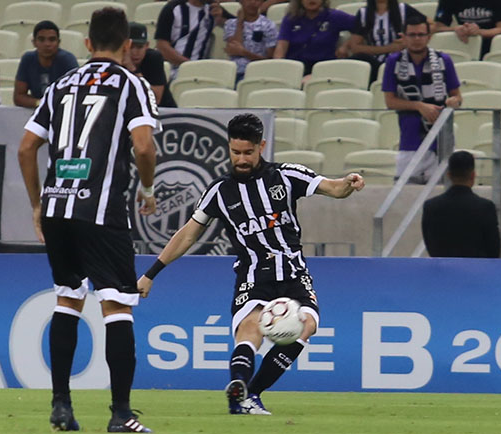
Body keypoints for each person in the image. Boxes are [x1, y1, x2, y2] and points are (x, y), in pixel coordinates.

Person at [137, 113, 364, 415]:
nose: (241, 159)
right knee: (249, 329)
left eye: (248, 152)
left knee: (306, 324)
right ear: (229, 148)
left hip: (293, 271)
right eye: (235, 152)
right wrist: (152, 273)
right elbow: (188, 234)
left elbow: (334, 188)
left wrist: (349, 182)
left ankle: (250, 394)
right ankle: (238, 389)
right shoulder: (219, 191)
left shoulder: (286, 176)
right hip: (253, 274)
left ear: (262, 146)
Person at [17, 7, 159, 434]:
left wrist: (37, 204)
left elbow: (26, 148)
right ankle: (121, 413)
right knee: (117, 305)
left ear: (87, 44)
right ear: (129, 46)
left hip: (58, 206)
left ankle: (61, 406)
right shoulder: (131, 84)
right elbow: (145, 147)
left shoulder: (60, 85)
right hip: (101, 208)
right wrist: (147, 190)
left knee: (67, 298)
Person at [382, 14, 462, 183]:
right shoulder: (393, 61)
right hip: (409, 141)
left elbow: (457, 96)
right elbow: (390, 101)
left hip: (440, 142)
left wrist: (454, 102)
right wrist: (419, 106)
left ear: (428, 36)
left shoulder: (443, 60)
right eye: (412, 35)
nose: (417, 39)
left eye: (421, 34)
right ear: (404, 36)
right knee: (405, 195)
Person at [345, 0, 424, 85]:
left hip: (400, 62)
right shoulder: (363, 14)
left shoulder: (403, 10)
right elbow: (355, 47)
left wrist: (409, 40)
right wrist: (389, 48)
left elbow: (430, 25)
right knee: (359, 61)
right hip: (374, 64)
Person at [421, 150, 500, 258]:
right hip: (476, 272)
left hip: (443, 271)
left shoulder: (430, 207)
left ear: (449, 175)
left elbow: (430, 245)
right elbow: (494, 250)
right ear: (473, 175)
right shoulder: (485, 207)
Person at [273, 0, 356, 76]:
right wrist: (278, 67)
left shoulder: (334, 16)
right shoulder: (291, 19)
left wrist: (345, 46)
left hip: (324, 69)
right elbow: (281, 47)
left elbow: (362, 27)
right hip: (295, 69)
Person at [155, 0, 219, 77]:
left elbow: (238, 23)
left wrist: (222, 18)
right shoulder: (172, 9)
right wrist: (188, 65)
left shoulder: (215, 11)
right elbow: (162, 46)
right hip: (171, 70)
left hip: (199, 73)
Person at [13, 20, 79, 108]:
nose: (47, 44)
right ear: (34, 42)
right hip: (37, 111)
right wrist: (40, 103)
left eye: (52, 39)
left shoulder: (67, 60)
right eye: (41, 39)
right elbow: (18, 96)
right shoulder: (28, 59)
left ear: (58, 42)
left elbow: (76, 94)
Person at [223, 0, 278, 81]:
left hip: (259, 73)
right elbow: (234, 51)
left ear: (262, 1)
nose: (252, 2)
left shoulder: (269, 26)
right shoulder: (230, 24)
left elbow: (269, 60)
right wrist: (239, 23)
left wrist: (244, 52)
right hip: (234, 73)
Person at [125, 22, 177, 107]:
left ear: (147, 46)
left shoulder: (153, 59)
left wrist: (132, 69)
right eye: (131, 47)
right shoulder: (117, 60)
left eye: (139, 47)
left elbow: (156, 99)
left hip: (163, 112)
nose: (135, 52)